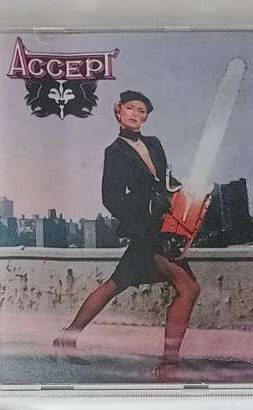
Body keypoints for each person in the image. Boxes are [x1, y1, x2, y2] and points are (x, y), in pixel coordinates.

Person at [52, 90, 201, 381]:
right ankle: (169, 364)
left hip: (164, 225)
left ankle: (66, 338)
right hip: (146, 230)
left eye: (142, 111)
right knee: (189, 288)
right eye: (131, 108)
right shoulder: (115, 151)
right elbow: (111, 198)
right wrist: (147, 207)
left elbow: (165, 180)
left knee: (115, 284)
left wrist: (184, 191)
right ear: (118, 110)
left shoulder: (154, 143)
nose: (136, 115)